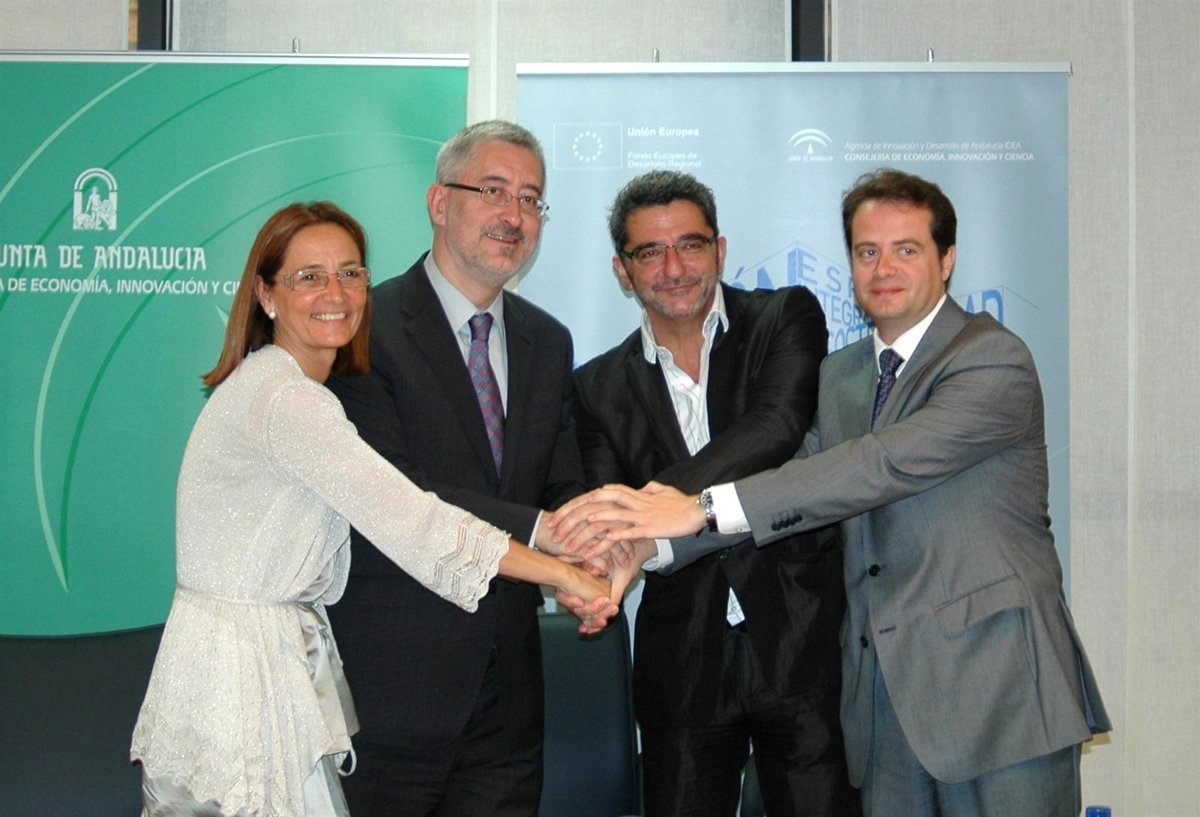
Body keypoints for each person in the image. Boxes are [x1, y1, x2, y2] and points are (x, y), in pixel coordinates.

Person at [552, 169, 1111, 817]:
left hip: (997, 693)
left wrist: (696, 505)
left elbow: (874, 466)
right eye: (867, 251)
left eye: (906, 249)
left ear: (947, 260)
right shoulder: (844, 374)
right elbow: (793, 482)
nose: (883, 268)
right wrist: (641, 551)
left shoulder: (991, 358)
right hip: (882, 702)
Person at [129, 201, 615, 817]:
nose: (335, 294)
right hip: (244, 681)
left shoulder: (285, 386)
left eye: (351, 273)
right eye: (309, 277)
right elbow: (416, 523)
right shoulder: (286, 400)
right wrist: (565, 573)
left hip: (260, 663)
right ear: (266, 295)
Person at [325, 121, 595, 816]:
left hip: (508, 701)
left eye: (531, 200)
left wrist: (594, 538)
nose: (514, 216)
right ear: (440, 202)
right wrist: (545, 535)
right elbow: (397, 492)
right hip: (391, 692)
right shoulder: (363, 326)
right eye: (494, 191)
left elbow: (560, 480)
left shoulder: (548, 340)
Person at [570, 170, 858, 817]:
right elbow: (606, 513)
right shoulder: (595, 387)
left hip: (802, 646)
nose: (673, 268)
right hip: (682, 666)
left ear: (720, 251)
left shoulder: (785, 317)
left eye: (691, 245)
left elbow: (776, 428)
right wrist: (603, 561)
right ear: (623, 271)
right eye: (650, 251)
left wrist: (661, 510)